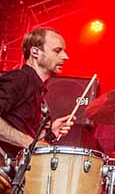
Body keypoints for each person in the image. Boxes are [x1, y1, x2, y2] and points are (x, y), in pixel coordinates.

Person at [0, 27, 74, 162]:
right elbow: (27, 142)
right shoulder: (20, 79)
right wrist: (30, 143)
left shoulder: (38, 90)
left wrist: (50, 132)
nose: (65, 56)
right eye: (57, 51)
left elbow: (19, 130)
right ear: (35, 52)